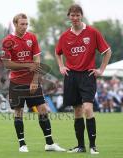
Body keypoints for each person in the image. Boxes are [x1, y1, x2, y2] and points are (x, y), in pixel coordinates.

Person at [0, 13, 65, 153]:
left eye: (26, 24)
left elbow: (37, 61)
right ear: (15, 24)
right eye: (22, 24)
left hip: (32, 81)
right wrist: (27, 66)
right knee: (18, 111)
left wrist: (35, 80)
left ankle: (49, 143)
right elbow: (7, 64)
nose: (24, 26)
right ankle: (22, 144)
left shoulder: (32, 37)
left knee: (42, 109)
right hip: (16, 82)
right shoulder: (7, 41)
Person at [55, 4, 112, 155]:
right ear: (69, 17)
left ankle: (93, 146)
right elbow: (57, 52)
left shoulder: (92, 32)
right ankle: (80, 146)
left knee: (88, 108)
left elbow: (107, 51)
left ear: (82, 16)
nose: (75, 18)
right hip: (71, 76)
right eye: (72, 15)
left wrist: (101, 70)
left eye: (77, 15)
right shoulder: (65, 36)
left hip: (87, 75)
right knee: (78, 111)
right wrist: (61, 66)